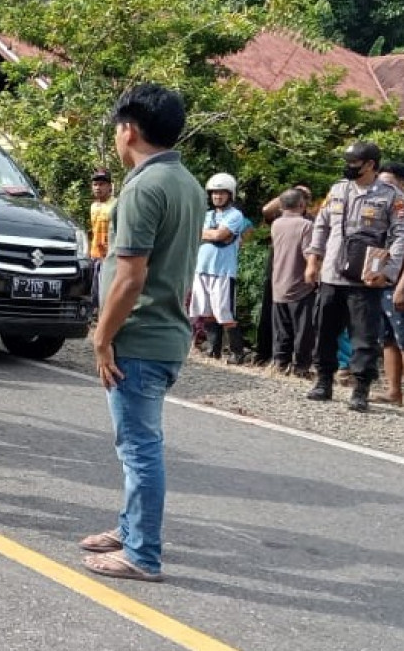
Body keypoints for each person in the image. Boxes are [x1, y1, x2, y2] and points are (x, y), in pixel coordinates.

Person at [79, 83, 204, 583]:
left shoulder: (143, 187)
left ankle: (142, 553)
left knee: (139, 447)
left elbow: (131, 277)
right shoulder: (185, 182)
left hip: (141, 336)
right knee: (134, 442)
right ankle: (132, 529)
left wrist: (102, 337)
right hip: (166, 332)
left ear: (128, 129)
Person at [304, 141, 404, 412]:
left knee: (364, 336)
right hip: (332, 272)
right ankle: (323, 381)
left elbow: (401, 236)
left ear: (370, 165)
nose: (349, 167)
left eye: (355, 163)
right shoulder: (338, 189)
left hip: (366, 278)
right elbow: (321, 224)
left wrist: (387, 272)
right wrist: (313, 260)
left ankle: (361, 388)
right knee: (325, 329)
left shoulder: (390, 196)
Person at [189, 173, 250, 364]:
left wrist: (208, 234)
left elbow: (220, 235)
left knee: (224, 313)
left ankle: (237, 352)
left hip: (223, 271)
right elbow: (196, 233)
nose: (217, 197)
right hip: (202, 268)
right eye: (214, 193)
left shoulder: (235, 215)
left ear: (230, 194)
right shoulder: (206, 215)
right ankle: (213, 349)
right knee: (206, 311)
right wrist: (212, 234)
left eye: (222, 193)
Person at [375, 162, 404, 409]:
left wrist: (402, 287)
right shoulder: (387, 212)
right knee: (388, 339)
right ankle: (393, 391)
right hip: (383, 283)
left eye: (389, 184)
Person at [269, 189, 317, 377]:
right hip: (300, 283)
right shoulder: (306, 225)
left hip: (279, 282)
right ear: (301, 205)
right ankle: (301, 367)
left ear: (281, 205)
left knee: (282, 328)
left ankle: (280, 362)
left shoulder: (276, 224)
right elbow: (308, 253)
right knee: (303, 329)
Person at [89, 168, 116, 310]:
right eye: (95, 184)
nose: (98, 187)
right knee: (94, 291)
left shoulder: (115, 205)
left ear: (110, 186)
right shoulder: (94, 206)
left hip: (109, 257)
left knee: (106, 293)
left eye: (101, 184)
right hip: (94, 255)